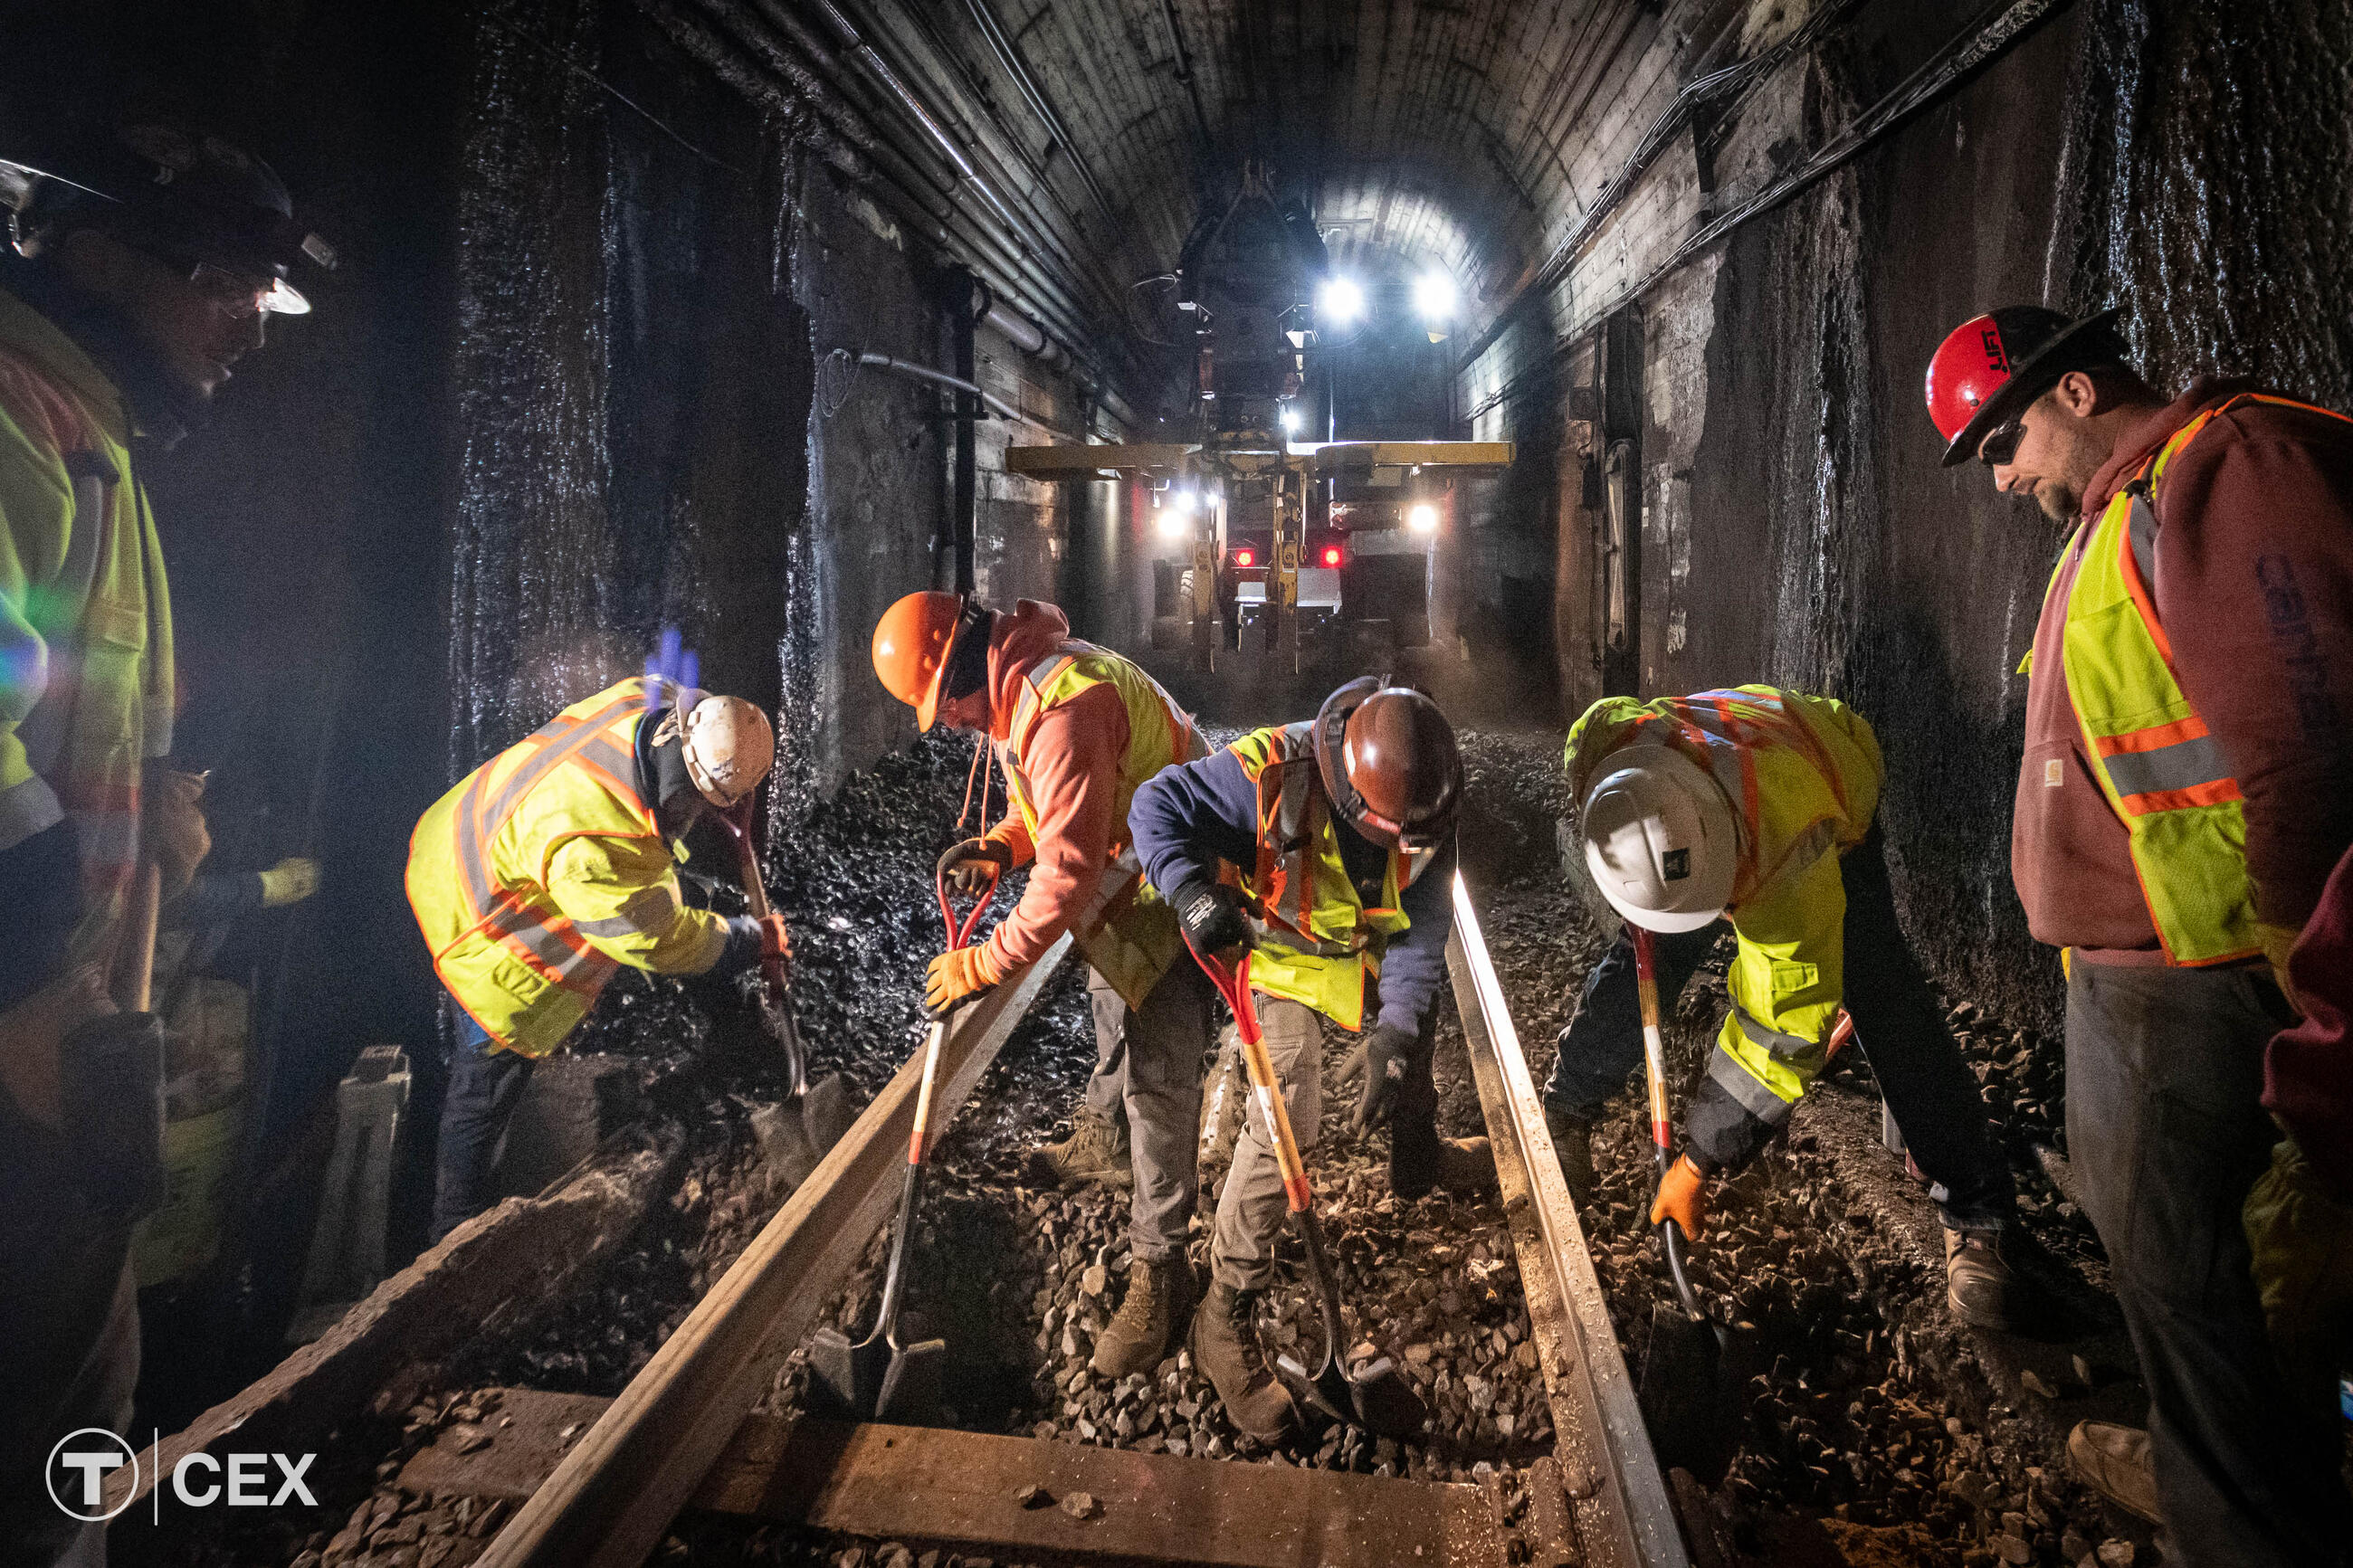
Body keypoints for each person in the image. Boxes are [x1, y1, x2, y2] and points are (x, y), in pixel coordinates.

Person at [1926, 304, 2353, 1561]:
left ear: (2071, 392)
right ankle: (2209, 1462)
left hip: (2207, 976)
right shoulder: (2133, 510)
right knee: (2187, 1280)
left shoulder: (2223, 472)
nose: (2000, 477)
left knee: (2194, 1280)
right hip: (2156, 977)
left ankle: (2239, 1523)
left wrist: (2317, 989)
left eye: (2002, 441)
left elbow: (2303, 745)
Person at [0, 124, 329, 1567]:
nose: (250, 324)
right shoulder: (23, 417)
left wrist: (151, 838)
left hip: (72, 1039)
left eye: (266, 288)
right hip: (30, 1047)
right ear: (92, 255)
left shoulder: (95, 446)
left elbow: (74, 723)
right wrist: (38, 980)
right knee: (52, 1439)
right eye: (222, 279)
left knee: (73, 1400)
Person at [1544, 686, 2030, 1330]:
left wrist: (1698, 1161)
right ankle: (1568, 1101)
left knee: (1882, 996)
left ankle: (1977, 1208)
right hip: (1716, 783)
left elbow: (1781, 1030)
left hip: (1825, 797)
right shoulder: (1621, 757)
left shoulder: (1789, 869)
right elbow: (1596, 734)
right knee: (1647, 954)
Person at [1129, 678, 1490, 1443]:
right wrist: (1191, 891)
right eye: (1392, 836)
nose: (1407, 850)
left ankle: (1417, 1157)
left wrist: (1391, 1034)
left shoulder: (1431, 801)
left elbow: (1424, 929)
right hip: (1280, 957)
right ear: (1354, 803)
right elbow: (1153, 807)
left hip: (1361, 956)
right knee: (1292, 1114)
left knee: (1411, 1041)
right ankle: (1224, 1310)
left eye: (1417, 840)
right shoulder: (1264, 769)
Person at [871, 591, 1213, 1378]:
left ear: (961, 665)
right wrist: (1003, 842)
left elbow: (1067, 873)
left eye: (942, 705)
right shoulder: (1023, 682)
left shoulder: (1059, 708)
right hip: (1132, 861)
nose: (947, 722)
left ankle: (1162, 1269)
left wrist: (984, 964)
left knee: (1160, 1072)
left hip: (1178, 876)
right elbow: (1060, 809)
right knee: (1104, 990)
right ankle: (1105, 1138)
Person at [406, 677, 786, 1240]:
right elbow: (658, 940)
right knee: (485, 1086)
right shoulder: (595, 848)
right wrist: (750, 939)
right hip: (475, 917)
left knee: (698, 900)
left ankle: (734, 1043)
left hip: (468, 821)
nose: (691, 817)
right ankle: (451, 1238)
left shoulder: (653, 697)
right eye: (694, 804)